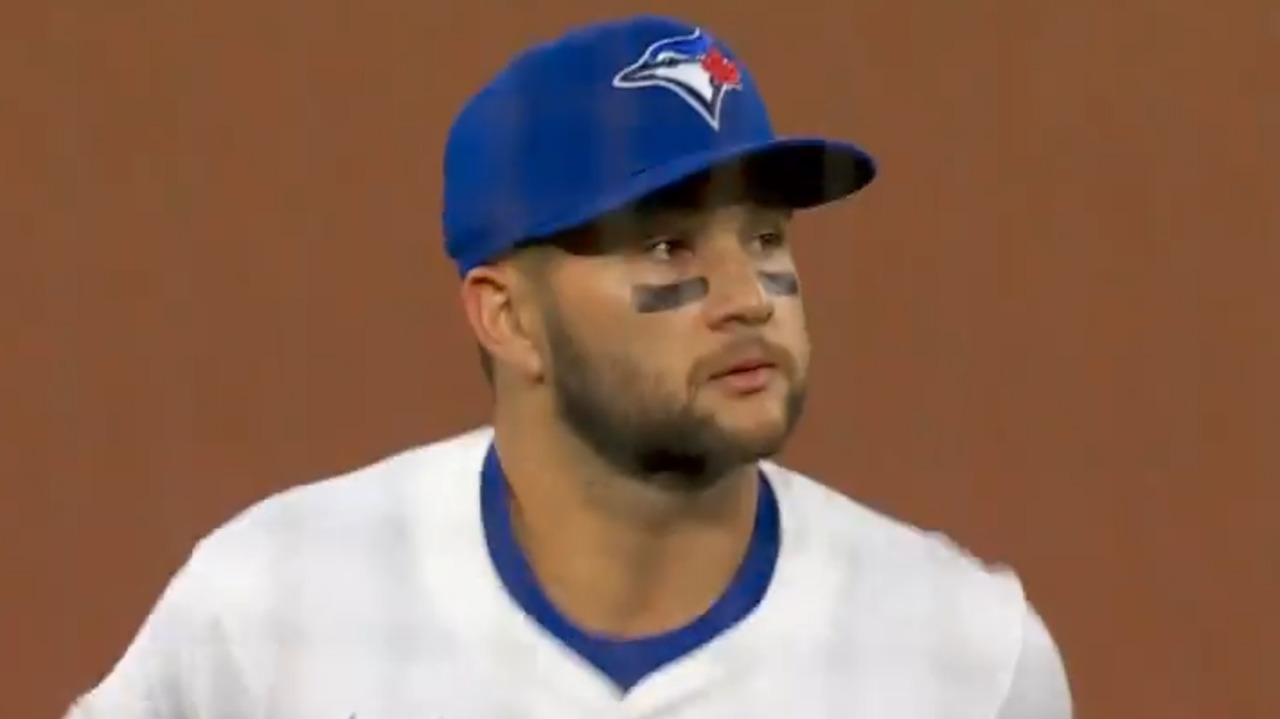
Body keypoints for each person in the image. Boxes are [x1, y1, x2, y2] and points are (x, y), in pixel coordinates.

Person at [65, 14, 1072, 719]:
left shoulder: (958, 652)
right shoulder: (280, 605)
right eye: (667, 247)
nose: (748, 295)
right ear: (507, 317)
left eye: (764, 237)